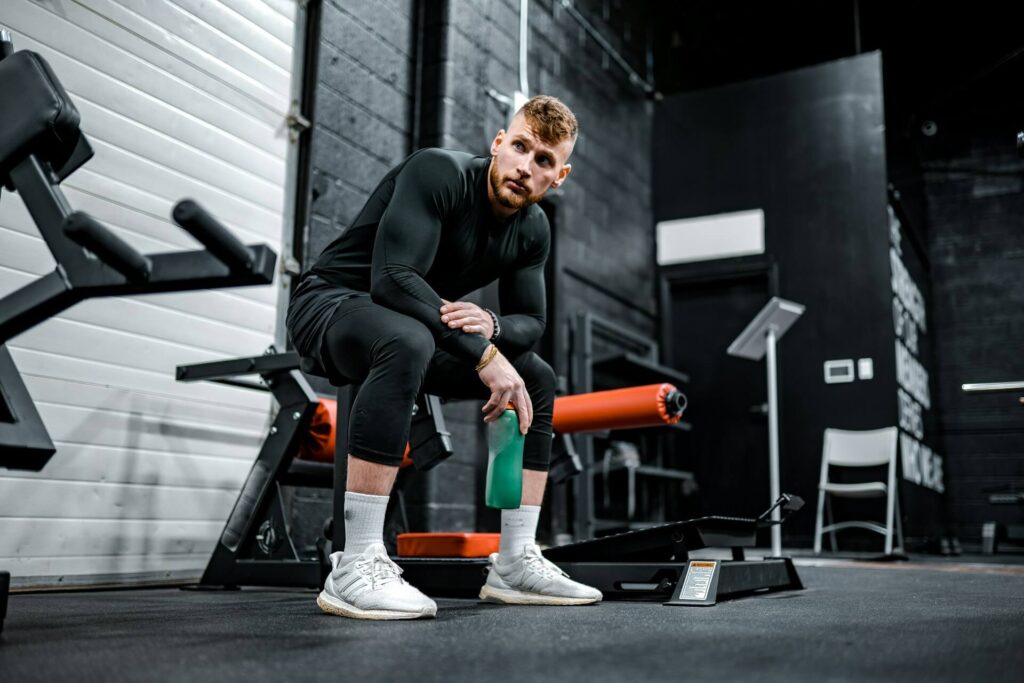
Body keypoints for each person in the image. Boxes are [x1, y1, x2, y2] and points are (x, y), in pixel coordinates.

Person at [287, 95, 601, 620]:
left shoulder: (533, 229)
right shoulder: (439, 173)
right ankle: (355, 563)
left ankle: (517, 560)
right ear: (499, 143)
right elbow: (391, 280)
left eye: (544, 160)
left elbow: (533, 323)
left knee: (536, 376)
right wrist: (483, 355)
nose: (526, 167)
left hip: (419, 325)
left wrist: (493, 327)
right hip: (333, 303)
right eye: (521, 147)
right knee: (406, 339)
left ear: (559, 175)